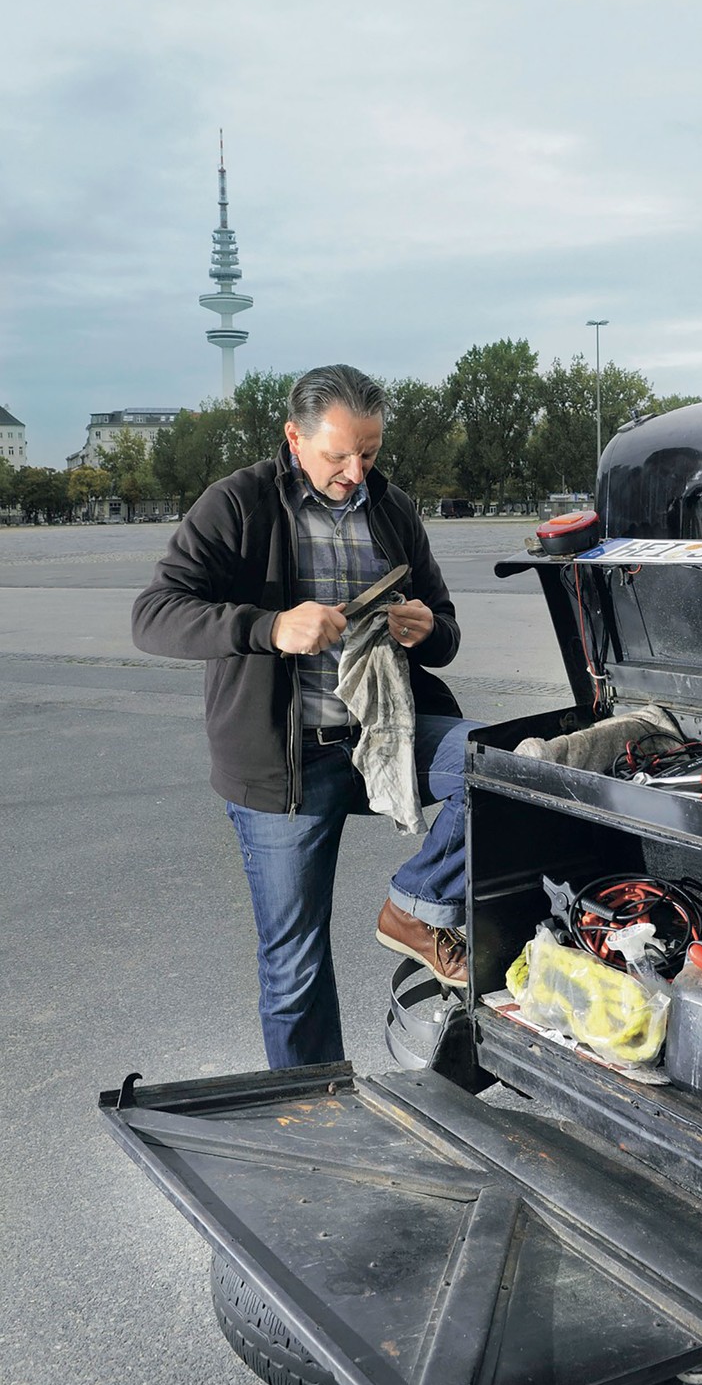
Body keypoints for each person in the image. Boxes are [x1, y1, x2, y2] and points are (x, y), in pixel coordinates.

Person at [131, 364, 475, 1070]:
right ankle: (314, 1113)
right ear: (294, 437)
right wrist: (270, 628)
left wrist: (425, 628)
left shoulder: (392, 508)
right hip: (286, 761)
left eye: (370, 453)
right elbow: (154, 617)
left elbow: (447, 630)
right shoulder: (238, 503)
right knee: (295, 967)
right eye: (338, 455)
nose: (356, 471)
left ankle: (417, 905)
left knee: (505, 764)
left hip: (388, 734)